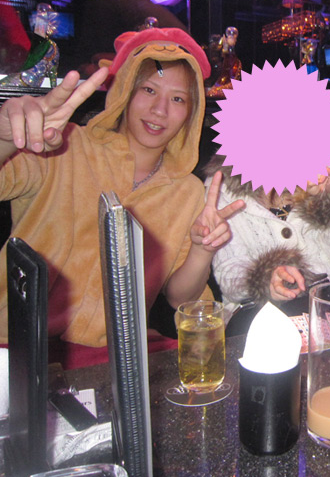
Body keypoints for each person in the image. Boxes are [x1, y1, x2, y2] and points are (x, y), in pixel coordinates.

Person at [0, 27, 243, 368]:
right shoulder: (60, 144)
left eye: (178, 99)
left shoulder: (188, 191)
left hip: (115, 358)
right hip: (15, 346)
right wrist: (6, 138)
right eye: (148, 90)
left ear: (192, 112)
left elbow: (181, 298)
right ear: (125, 91)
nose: (160, 110)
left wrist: (203, 250)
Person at [205, 157, 330, 308]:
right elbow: (228, 274)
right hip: (259, 307)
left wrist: (328, 201)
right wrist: (265, 278)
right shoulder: (222, 184)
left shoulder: (323, 170)